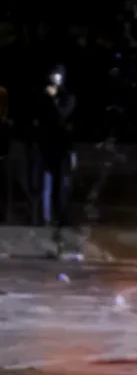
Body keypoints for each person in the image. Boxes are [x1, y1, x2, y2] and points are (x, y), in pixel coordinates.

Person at [34, 65, 77, 255]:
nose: (54, 80)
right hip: (44, 147)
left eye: (58, 76)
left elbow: (60, 115)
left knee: (62, 188)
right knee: (41, 186)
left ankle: (62, 226)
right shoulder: (42, 97)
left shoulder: (68, 97)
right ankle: (44, 221)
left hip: (62, 149)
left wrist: (52, 100)